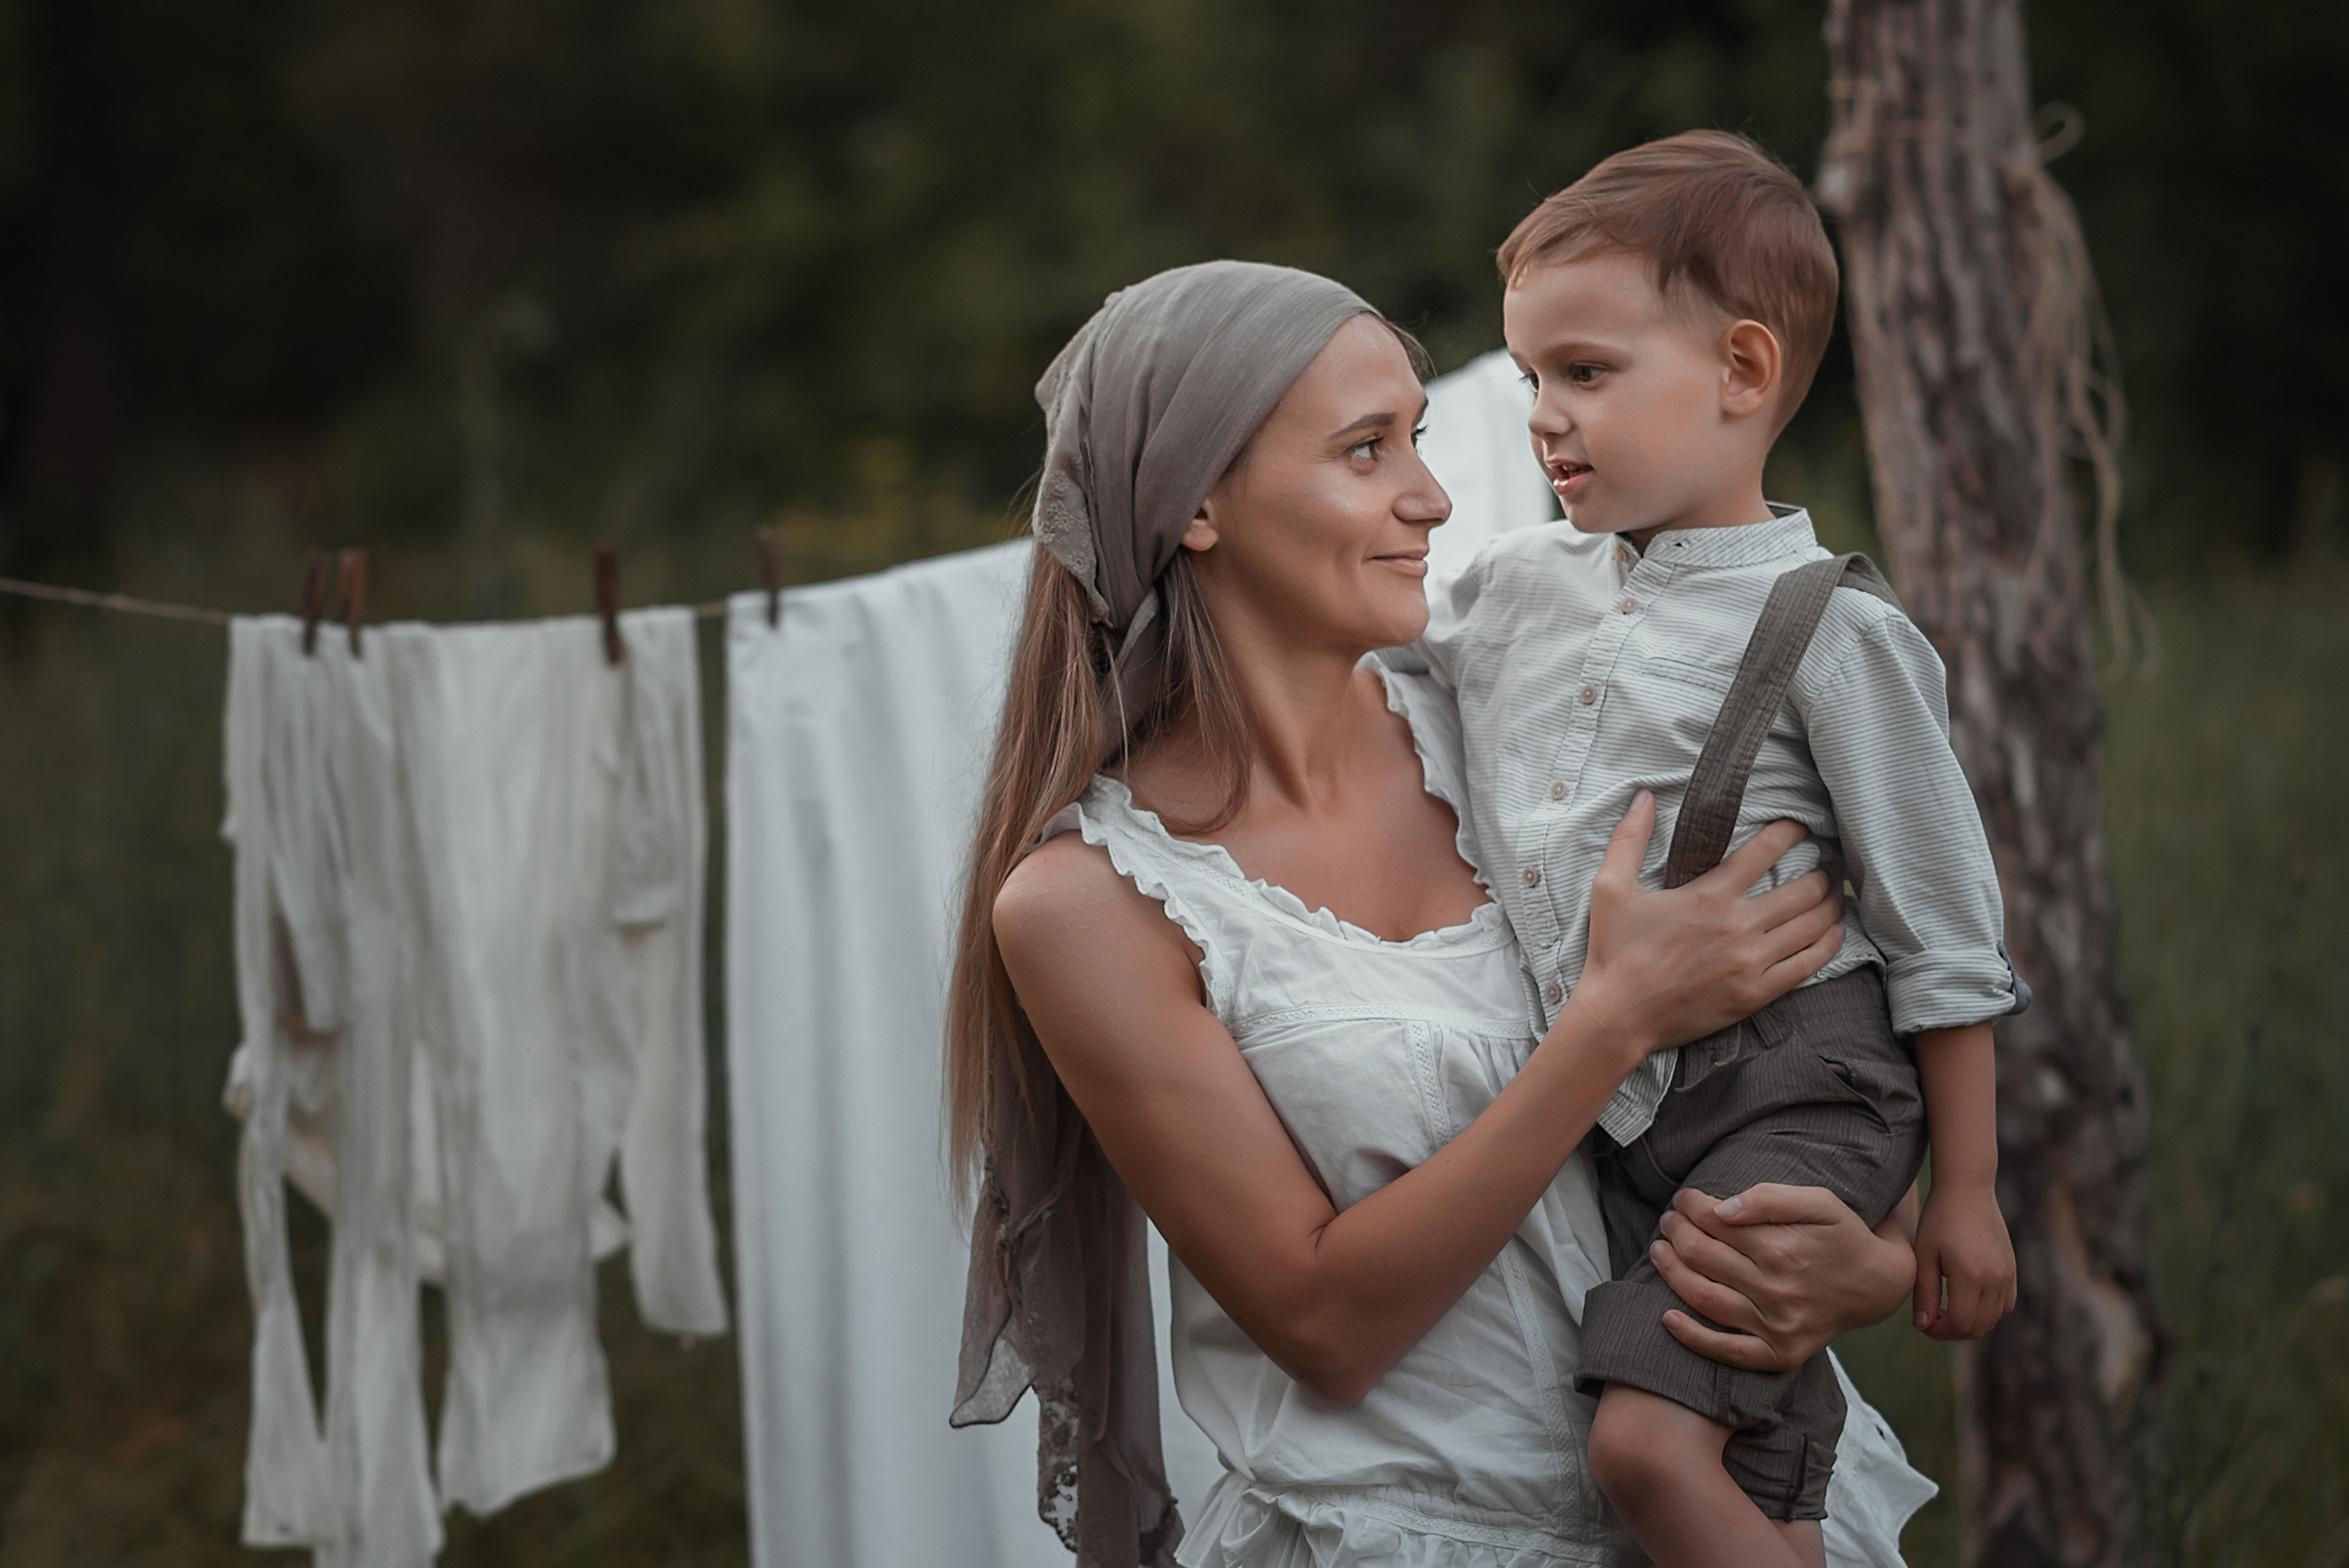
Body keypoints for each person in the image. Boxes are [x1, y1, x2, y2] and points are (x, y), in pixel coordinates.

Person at [948, 259, 1931, 1568]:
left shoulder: (1509, 711)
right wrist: (1612, 1021)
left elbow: (1818, 1021)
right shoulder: (1091, 902)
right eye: (1367, 450)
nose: (1434, 493)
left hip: (1726, 1503)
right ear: (1197, 503)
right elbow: (1323, 1323)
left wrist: (1881, 1259)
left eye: (1416, 433)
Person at [1394, 132, 2023, 1568]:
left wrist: (1969, 1198)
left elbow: (1947, 932)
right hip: (1631, 1099)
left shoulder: (1833, 631)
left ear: (1743, 372)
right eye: (1531, 376)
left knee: (1646, 1442)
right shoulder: (1509, 589)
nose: (1543, 417)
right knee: (1738, 1464)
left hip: (1804, 1077)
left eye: (1586, 373)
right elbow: (1375, 686)